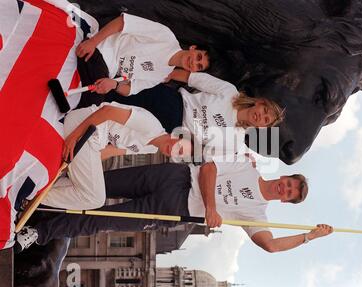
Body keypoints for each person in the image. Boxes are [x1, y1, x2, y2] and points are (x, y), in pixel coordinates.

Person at [16, 158, 333, 253]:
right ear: (284, 176)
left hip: (171, 211)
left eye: (289, 194)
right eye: (289, 183)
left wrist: (309, 236)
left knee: (97, 220)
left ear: (285, 201)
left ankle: (37, 232)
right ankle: (35, 195)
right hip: (174, 176)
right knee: (102, 182)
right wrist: (211, 206)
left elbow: (271, 246)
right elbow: (209, 168)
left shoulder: (257, 214)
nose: (285, 188)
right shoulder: (248, 167)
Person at [37, 102, 192, 213]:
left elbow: (109, 152)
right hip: (84, 128)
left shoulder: (151, 148)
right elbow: (107, 111)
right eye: (179, 146)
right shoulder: (151, 125)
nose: (174, 151)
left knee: (80, 185)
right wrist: (74, 137)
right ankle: (35, 198)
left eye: (178, 155)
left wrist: (80, 168)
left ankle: (40, 190)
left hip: (90, 143)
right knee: (95, 199)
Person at [107, 69, 285, 158]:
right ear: (260, 103)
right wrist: (160, 73)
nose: (261, 116)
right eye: (264, 111)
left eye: (266, 121)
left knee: (115, 125)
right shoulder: (230, 92)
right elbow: (191, 78)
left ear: (262, 128)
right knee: (113, 94)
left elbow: (201, 153)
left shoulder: (234, 143)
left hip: (172, 131)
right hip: (171, 102)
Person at [75, 13, 210, 107]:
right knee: (89, 101)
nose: (194, 62)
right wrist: (93, 42)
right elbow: (122, 22)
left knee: (92, 106)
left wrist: (114, 84)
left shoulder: (162, 75)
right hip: (101, 48)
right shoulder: (165, 36)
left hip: (106, 72)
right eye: (198, 57)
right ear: (193, 48)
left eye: (199, 66)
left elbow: (130, 89)